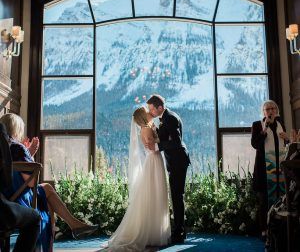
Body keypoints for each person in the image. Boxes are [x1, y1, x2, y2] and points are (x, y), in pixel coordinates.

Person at [0, 114, 98, 252]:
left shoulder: (4, 147)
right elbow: (31, 182)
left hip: (5, 196)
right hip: (18, 200)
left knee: (46, 192)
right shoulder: (18, 147)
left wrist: (28, 154)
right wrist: (29, 155)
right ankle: (72, 227)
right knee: (46, 193)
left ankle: (74, 226)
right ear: (17, 129)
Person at [107, 106, 171, 251]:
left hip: (154, 160)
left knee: (155, 194)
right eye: (147, 112)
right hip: (154, 161)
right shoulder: (147, 129)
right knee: (155, 194)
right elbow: (152, 146)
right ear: (143, 116)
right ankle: (152, 232)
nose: (150, 113)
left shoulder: (147, 127)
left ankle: (154, 231)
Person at [146, 94, 190, 244]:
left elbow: (177, 142)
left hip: (178, 162)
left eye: (152, 109)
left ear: (160, 107)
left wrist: (158, 146)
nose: (150, 112)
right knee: (176, 196)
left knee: (177, 197)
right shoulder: (164, 118)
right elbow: (167, 138)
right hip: (174, 162)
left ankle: (179, 233)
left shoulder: (170, 118)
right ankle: (180, 230)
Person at [251, 100, 289, 240]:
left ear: (277, 111)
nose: (270, 111)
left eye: (273, 108)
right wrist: (265, 129)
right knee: (264, 201)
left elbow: (285, 148)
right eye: (267, 109)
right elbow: (255, 144)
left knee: (280, 199)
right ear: (263, 112)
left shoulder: (281, 125)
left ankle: (279, 228)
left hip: (279, 170)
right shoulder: (257, 125)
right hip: (263, 171)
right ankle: (264, 230)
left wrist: (288, 139)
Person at [0, 122, 41, 252]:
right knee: (35, 217)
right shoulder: (12, 143)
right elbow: (7, 180)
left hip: (9, 196)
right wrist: (29, 155)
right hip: (5, 205)